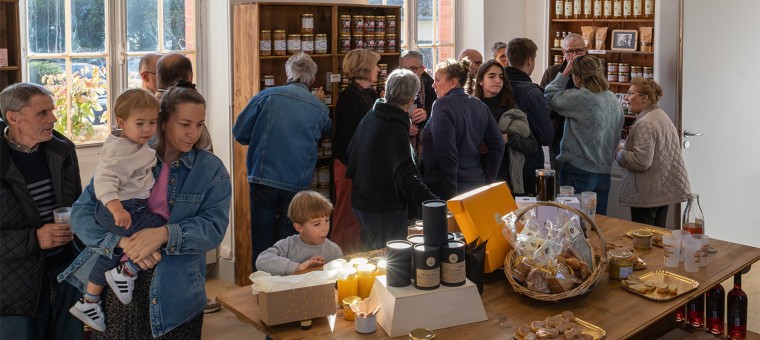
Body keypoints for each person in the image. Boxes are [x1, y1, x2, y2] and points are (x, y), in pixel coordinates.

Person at [60, 81, 231, 338]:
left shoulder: (211, 170)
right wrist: (120, 243)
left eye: (199, 125)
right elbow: (82, 214)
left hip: (176, 298)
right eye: (185, 124)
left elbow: (214, 229)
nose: (193, 133)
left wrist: (164, 234)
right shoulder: (128, 156)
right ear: (162, 122)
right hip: (118, 295)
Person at [67, 89, 166, 332]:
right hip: (121, 209)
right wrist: (116, 209)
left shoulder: (134, 143)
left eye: (152, 123)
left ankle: (122, 274)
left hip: (131, 206)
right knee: (121, 248)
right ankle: (93, 298)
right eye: (140, 123)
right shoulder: (118, 151)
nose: (147, 129)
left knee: (152, 236)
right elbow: (104, 182)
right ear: (121, 122)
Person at [233, 52, 332, 270]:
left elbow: (239, 133)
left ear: (287, 73)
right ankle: (289, 295)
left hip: (263, 177)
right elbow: (324, 131)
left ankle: (261, 293)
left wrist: (262, 135)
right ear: (312, 79)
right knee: (292, 243)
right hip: (297, 183)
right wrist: (317, 103)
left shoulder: (266, 96)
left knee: (262, 240)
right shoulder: (319, 108)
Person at [0, 83, 84, 339]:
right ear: (13, 118)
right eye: (42, 113)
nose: (53, 119)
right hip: (14, 291)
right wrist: (35, 239)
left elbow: (79, 206)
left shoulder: (63, 150)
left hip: (67, 276)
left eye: (52, 110)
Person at [346, 69, 438, 250]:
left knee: (371, 258)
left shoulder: (373, 114)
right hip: (382, 208)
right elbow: (407, 177)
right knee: (389, 263)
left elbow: (351, 151)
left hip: (362, 200)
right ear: (411, 99)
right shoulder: (394, 127)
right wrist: (434, 202)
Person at [544, 55, 624, 215]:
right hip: (604, 172)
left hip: (578, 170)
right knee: (597, 223)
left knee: (572, 224)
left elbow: (549, 95)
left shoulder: (580, 97)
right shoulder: (612, 99)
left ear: (578, 78)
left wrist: (566, 70)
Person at [422, 59, 505, 199]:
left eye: (437, 80)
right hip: (476, 186)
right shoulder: (479, 105)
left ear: (453, 82)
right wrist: (487, 180)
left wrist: (451, 196)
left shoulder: (442, 105)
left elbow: (447, 154)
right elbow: (498, 144)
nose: (433, 85)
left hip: (447, 190)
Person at [616, 78, 691, 227]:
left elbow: (641, 161)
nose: (626, 98)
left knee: (643, 239)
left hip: (647, 194)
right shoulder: (660, 115)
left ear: (644, 98)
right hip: (660, 189)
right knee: (657, 237)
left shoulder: (646, 123)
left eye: (631, 93)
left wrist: (620, 153)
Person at [332, 49, 381, 254]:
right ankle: (340, 262)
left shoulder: (370, 94)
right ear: (364, 68)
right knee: (346, 218)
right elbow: (344, 141)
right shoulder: (349, 97)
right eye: (375, 65)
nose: (378, 69)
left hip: (363, 166)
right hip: (349, 166)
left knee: (360, 218)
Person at [473, 60, 539, 195]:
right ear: (480, 81)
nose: (497, 80)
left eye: (501, 77)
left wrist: (508, 138)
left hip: (506, 179)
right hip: (477, 178)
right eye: (492, 76)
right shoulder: (472, 107)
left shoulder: (511, 109)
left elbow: (532, 145)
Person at [506, 38, 554, 195]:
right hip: (526, 166)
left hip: (497, 165)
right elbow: (546, 137)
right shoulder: (532, 93)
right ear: (530, 60)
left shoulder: (495, 87)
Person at [255, 190, 343, 275]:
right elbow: (261, 261)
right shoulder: (287, 246)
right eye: (317, 224)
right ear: (299, 227)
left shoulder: (334, 250)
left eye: (327, 220)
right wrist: (297, 268)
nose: (325, 228)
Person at [541, 33, 587, 173]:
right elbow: (543, 103)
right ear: (563, 52)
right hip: (558, 136)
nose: (574, 55)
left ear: (585, 51)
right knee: (560, 179)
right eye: (570, 51)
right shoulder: (552, 72)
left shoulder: (593, 72)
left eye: (578, 51)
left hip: (584, 138)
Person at [399, 50, 436, 158]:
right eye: (404, 68)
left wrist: (427, 113)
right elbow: (388, 113)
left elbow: (439, 113)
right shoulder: (394, 85)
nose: (408, 73)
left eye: (413, 68)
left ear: (422, 69)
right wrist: (404, 125)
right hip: (401, 142)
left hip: (426, 144)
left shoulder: (432, 86)